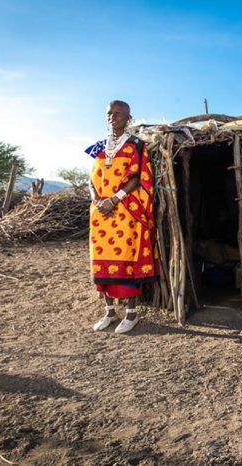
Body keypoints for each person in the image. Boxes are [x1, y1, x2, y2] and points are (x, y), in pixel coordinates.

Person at [85, 100, 158, 334]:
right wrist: (97, 200)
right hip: (99, 214)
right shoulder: (99, 147)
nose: (112, 117)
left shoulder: (136, 145)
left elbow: (137, 178)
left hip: (124, 211)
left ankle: (131, 314)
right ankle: (109, 312)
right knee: (100, 261)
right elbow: (90, 179)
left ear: (129, 117)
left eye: (118, 114)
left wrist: (113, 200)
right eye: (109, 113)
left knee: (126, 261)